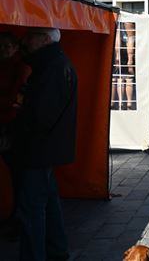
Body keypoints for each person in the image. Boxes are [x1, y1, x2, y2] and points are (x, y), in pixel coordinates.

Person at [11, 27, 78, 261]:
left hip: (37, 149)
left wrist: (20, 116)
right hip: (44, 148)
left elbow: (41, 116)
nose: (26, 39)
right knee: (47, 204)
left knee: (33, 210)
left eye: (32, 35)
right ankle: (56, 251)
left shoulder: (53, 68)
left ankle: (36, 256)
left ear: (45, 39)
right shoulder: (53, 65)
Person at [0, 32, 31, 239]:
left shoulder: (22, 68)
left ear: (15, 47)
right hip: (6, 121)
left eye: (7, 46)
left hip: (11, 126)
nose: (3, 50)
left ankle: (17, 216)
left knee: (17, 174)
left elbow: (16, 99)